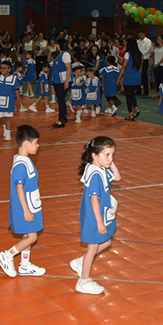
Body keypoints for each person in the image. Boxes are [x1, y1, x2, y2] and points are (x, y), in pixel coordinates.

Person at [69, 136, 121, 295]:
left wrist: (110, 162)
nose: (110, 159)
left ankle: (81, 262)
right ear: (94, 155)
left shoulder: (102, 169)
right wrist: (99, 222)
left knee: (106, 243)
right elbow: (93, 201)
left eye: (113, 155)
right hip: (95, 217)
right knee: (93, 248)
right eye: (107, 155)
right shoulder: (95, 175)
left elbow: (118, 177)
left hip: (103, 215)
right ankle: (83, 281)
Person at [0, 125, 46, 277]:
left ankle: (24, 266)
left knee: (27, 236)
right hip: (25, 207)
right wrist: (25, 210)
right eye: (36, 142)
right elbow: (19, 188)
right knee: (32, 237)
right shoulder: (20, 165)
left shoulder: (26, 160)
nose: (37, 146)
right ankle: (7, 255)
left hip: (32, 204)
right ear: (26, 143)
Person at [0, 61, 21, 141]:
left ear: (9, 69)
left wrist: (19, 101)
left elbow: (16, 91)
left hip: (10, 101)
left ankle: (8, 132)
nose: (2, 69)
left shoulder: (13, 79)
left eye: (4, 68)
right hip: (0, 101)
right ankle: (4, 126)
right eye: (1, 68)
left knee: (8, 117)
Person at [50, 39, 73, 128]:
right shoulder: (60, 54)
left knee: (61, 99)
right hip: (59, 80)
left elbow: (69, 68)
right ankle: (64, 116)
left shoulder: (66, 54)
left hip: (63, 81)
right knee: (61, 99)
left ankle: (61, 119)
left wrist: (67, 81)